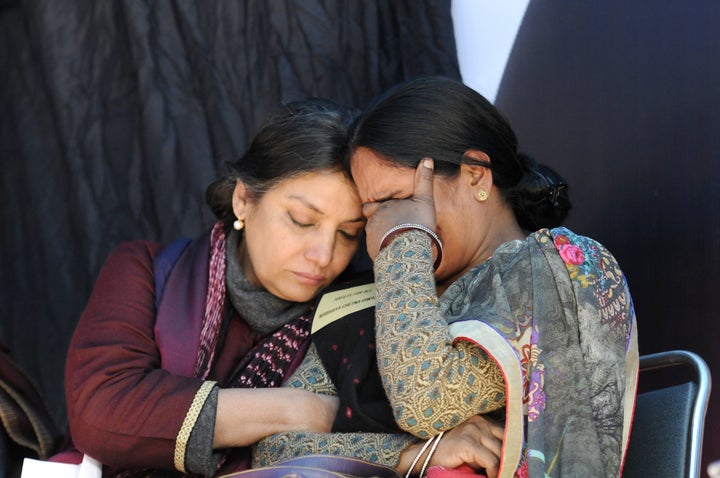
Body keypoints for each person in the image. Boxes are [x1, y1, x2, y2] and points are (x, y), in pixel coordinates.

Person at [342, 76, 639, 478]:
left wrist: (406, 236)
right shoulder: (390, 296)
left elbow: (424, 399)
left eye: (398, 202)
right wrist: (411, 454)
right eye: (370, 213)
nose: (380, 231)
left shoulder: (558, 268)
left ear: (477, 176)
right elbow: (280, 448)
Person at [57, 98, 366, 477]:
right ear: (243, 199)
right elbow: (100, 412)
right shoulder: (145, 272)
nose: (323, 255)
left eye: (348, 233)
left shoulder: (356, 316)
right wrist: (297, 409)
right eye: (302, 221)